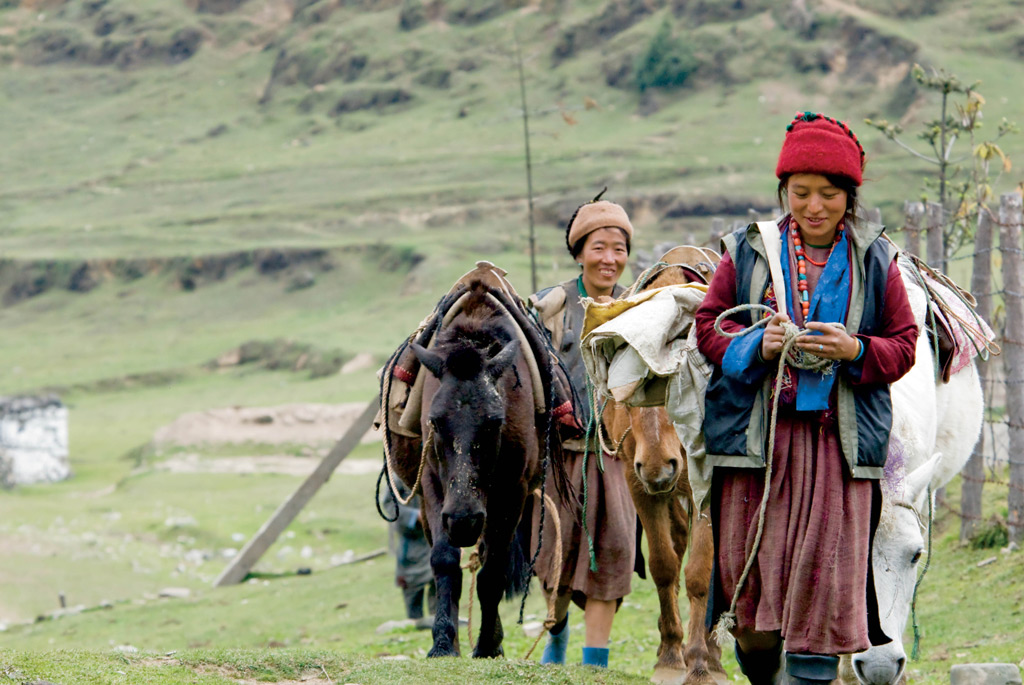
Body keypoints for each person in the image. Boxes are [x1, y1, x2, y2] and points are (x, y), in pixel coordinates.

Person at [694, 112, 918, 684]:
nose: (814, 206)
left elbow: (903, 345)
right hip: (758, 449)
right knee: (751, 589)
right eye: (801, 193)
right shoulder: (747, 253)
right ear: (783, 192)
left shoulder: (876, 261)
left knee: (825, 585)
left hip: (836, 452)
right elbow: (708, 327)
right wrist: (756, 344)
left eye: (829, 193)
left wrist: (854, 348)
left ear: (850, 196)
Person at [528, 194, 638, 669]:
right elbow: (534, 365)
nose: (609, 259)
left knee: (612, 552)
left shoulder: (640, 308)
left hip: (613, 456)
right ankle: (554, 646)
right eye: (598, 247)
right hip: (559, 455)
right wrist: (558, 402)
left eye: (619, 248)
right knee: (553, 551)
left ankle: (596, 665)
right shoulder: (551, 305)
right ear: (579, 252)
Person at [383, 481, 436, 626]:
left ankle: (439, 620)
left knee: (438, 578)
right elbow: (389, 504)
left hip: (434, 537)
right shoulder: (398, 478)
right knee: (410, 583)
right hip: (410, 541)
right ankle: (414, 621)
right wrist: (414, 516)